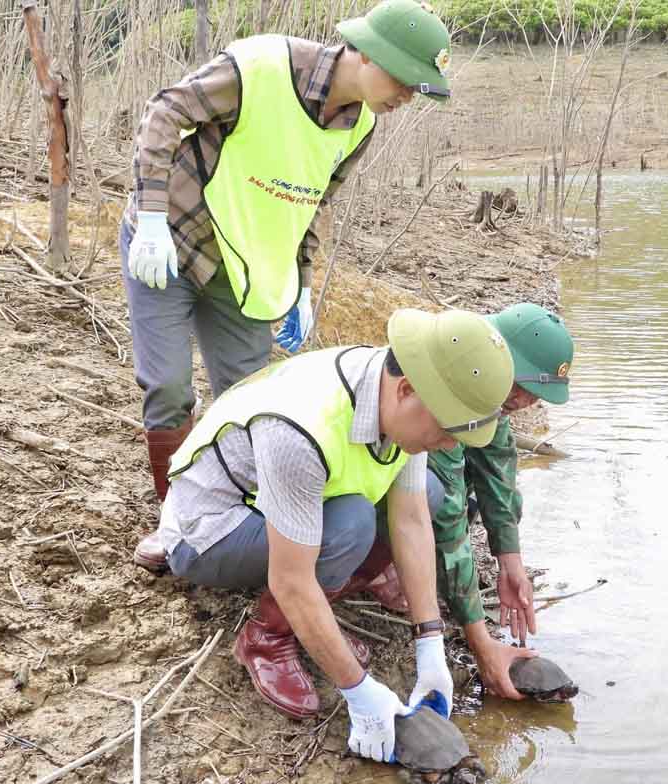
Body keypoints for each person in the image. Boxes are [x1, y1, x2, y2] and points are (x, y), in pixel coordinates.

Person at [119, 0, 454, 524]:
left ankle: (235, 515)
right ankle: (177, 524)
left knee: (249, 400)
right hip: (173, 244)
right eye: (405, 82)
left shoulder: (359, 126)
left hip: (248, 270)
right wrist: (154, 216)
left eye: (417, 89)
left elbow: (314, 201)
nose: (408, 98)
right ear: (368, 55)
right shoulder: (260, 66)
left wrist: (300, 281)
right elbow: (164, 111)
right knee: (167, 386)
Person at [134, 308, 513, 763]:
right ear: (408, 391)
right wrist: (359, 692)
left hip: (287, 508)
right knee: (350, 522)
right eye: (447, 430)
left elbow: (410, 519)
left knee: (427, 491)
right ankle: (266, 638)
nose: (450, 444)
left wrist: (429, 644)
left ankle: (322, 608)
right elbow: (291, 580)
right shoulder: (303, 425)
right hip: (210, 530)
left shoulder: (400, 391)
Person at [366, 303, 575, 700]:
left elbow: (497, 468)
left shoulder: (490, 392)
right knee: (434, 495)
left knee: (471, 498)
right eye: (526, 389)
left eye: (537, 396)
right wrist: (481, 644)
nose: (529, 402)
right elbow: (445, 516)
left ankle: (400, 566)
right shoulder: (450, 388)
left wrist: (510, 562)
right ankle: (374, 569)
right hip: (346, 500)